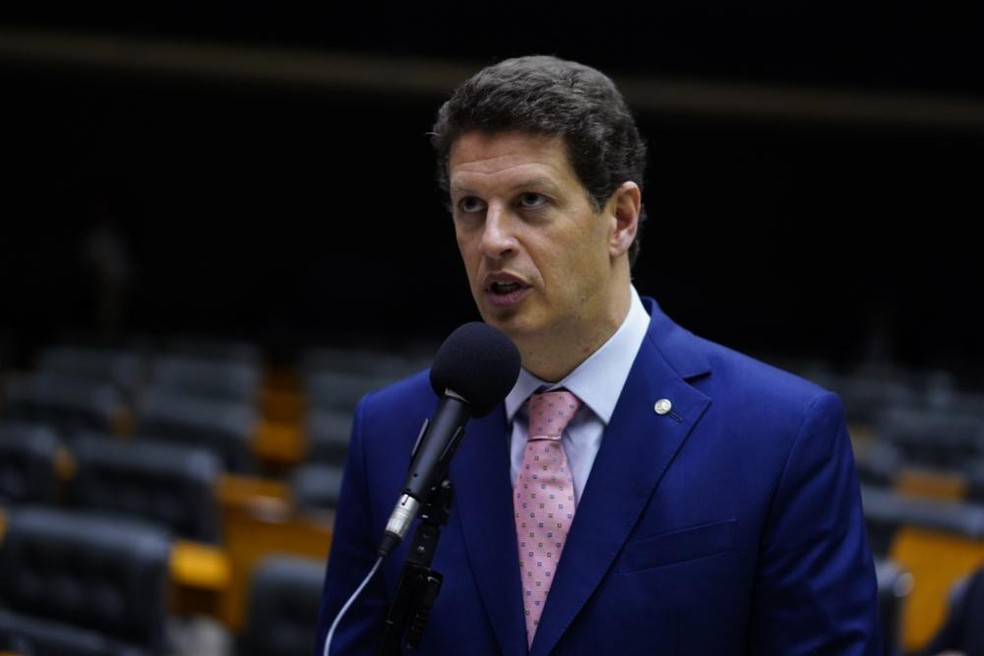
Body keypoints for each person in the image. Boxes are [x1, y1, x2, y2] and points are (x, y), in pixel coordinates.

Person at [314, 54, 883, 655]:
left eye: (530, 200)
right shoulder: (391, 429)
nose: (493, 240)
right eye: (470, 206)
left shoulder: (781, 435)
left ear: (621, 219)